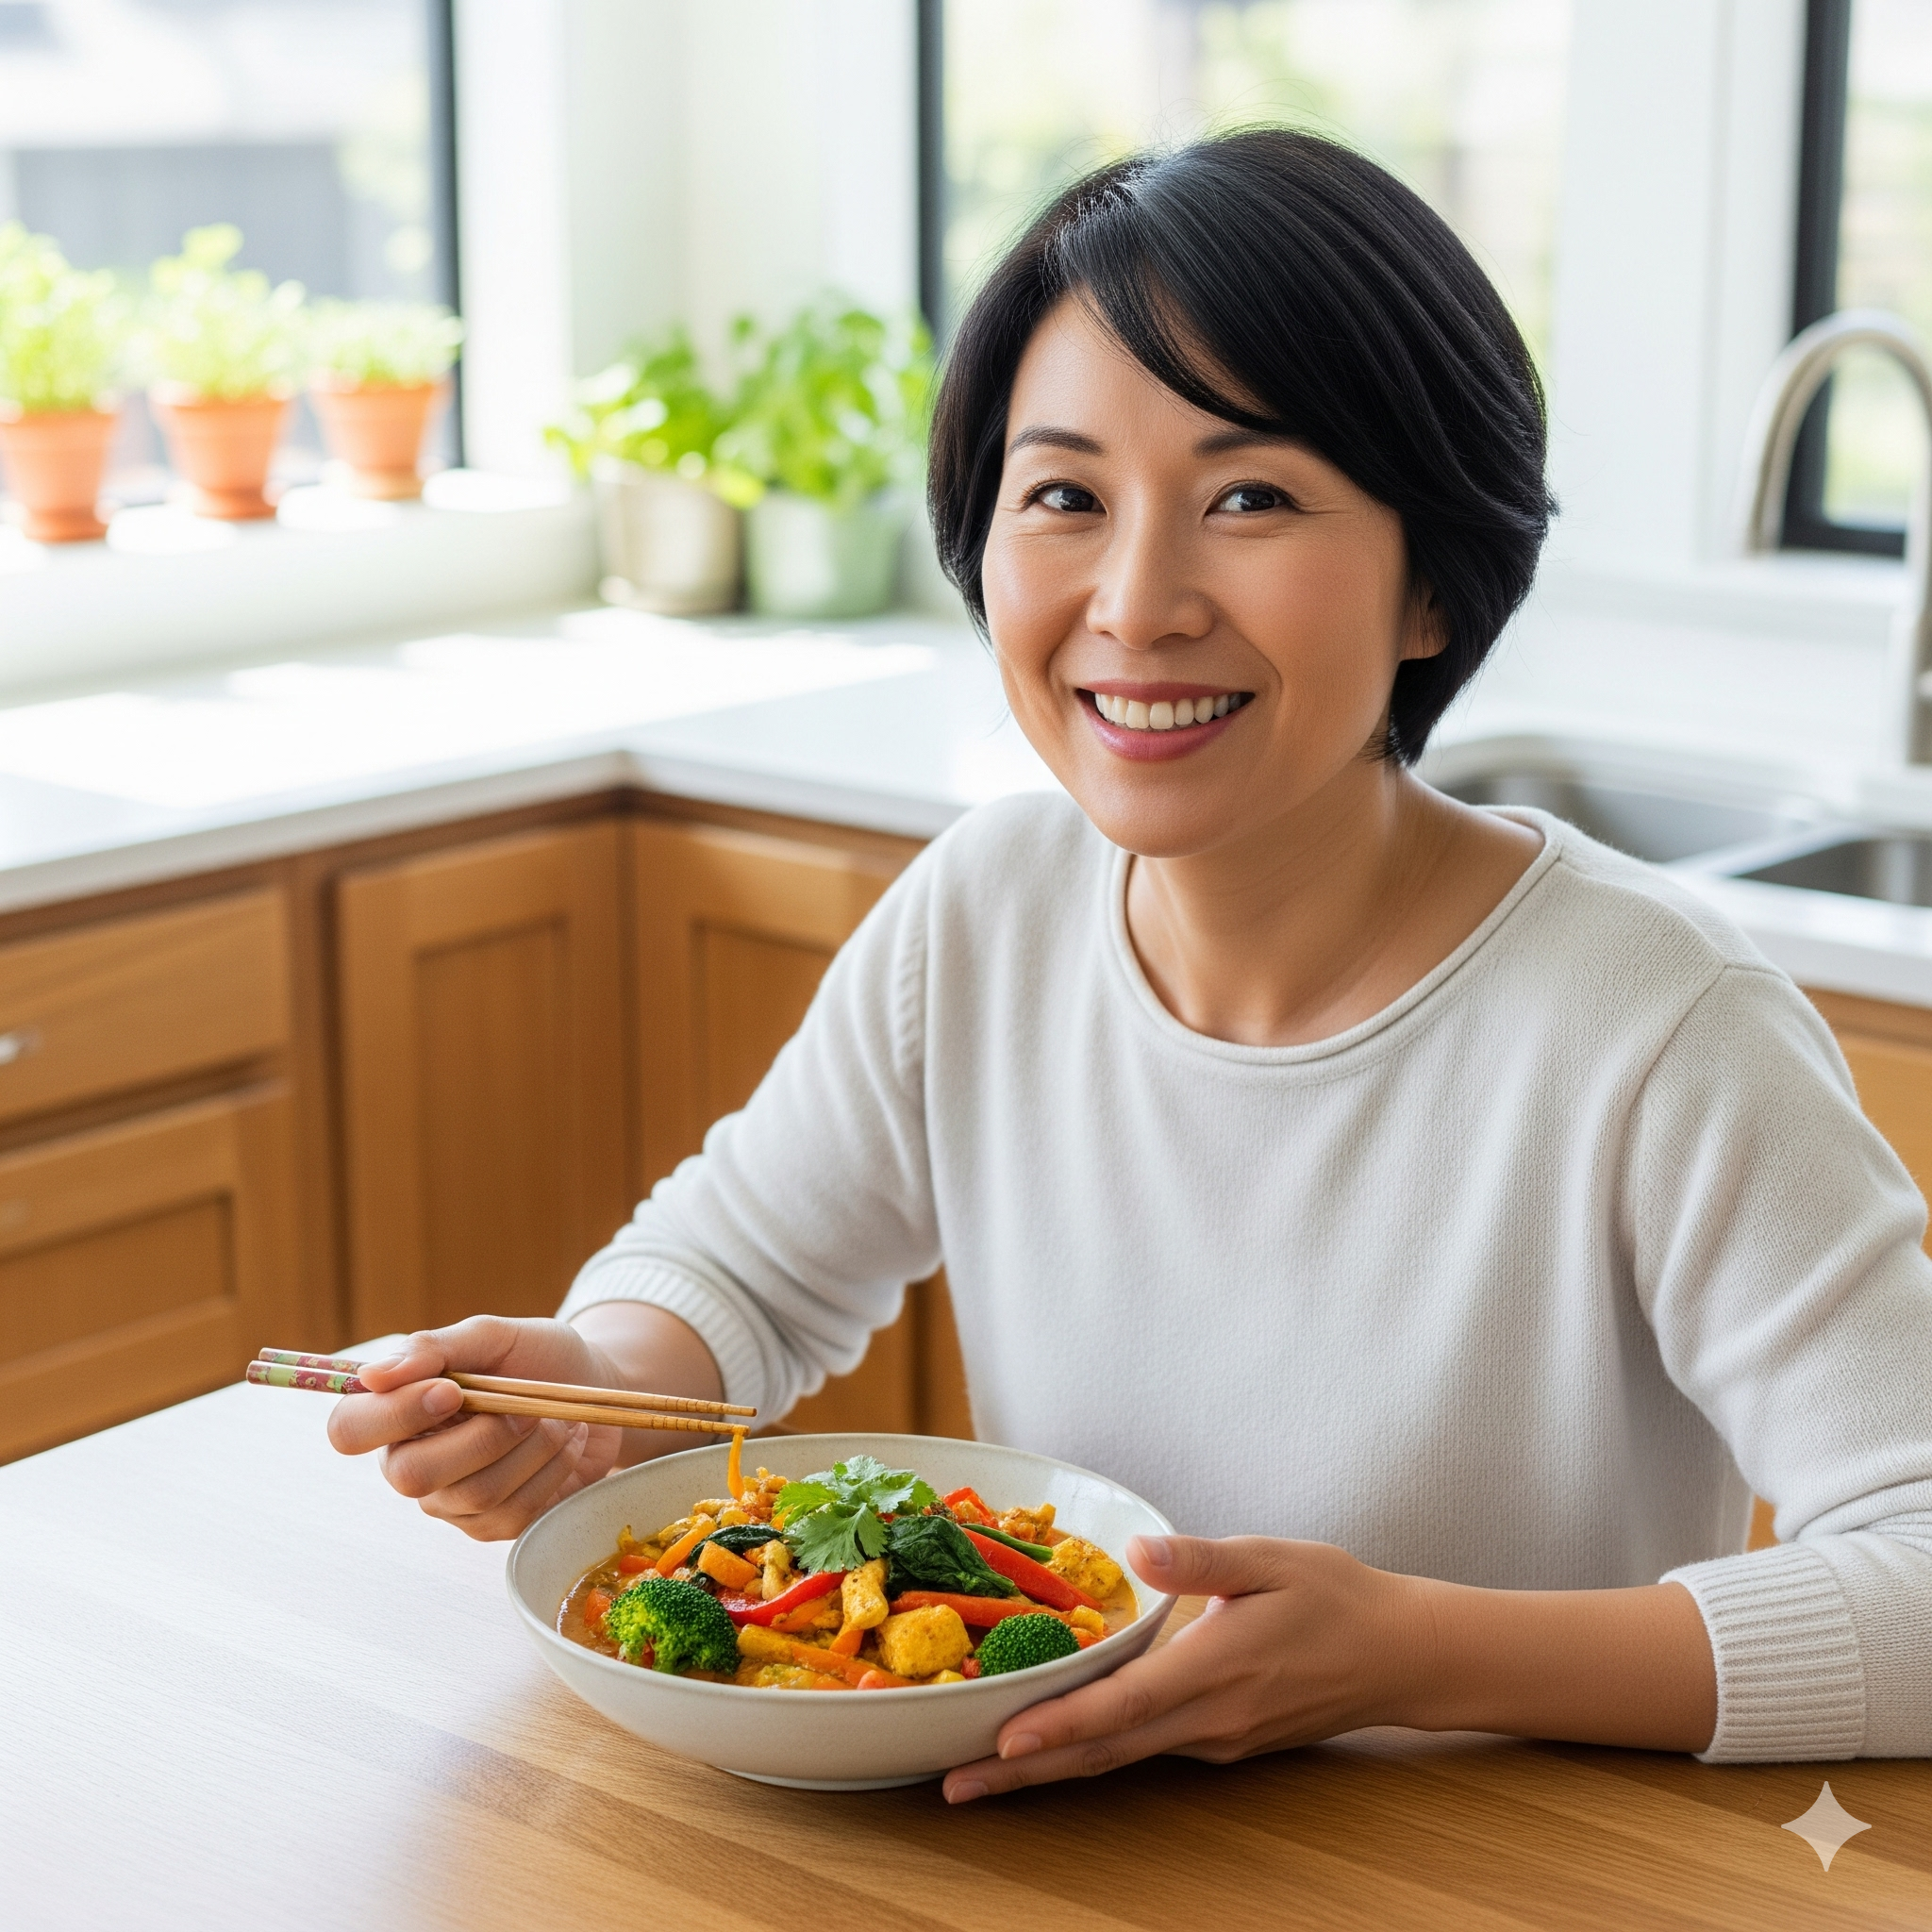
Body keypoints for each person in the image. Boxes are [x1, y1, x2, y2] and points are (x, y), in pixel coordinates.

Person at [330, 130, 1932, 1796]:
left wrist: (1419, 1656)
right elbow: (745, 1272)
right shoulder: (988, 910)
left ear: (1432, 585)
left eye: (1250, 497)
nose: (1137, 598)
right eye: (1067, 498)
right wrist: (598, 1386)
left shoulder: (1661, 1025)